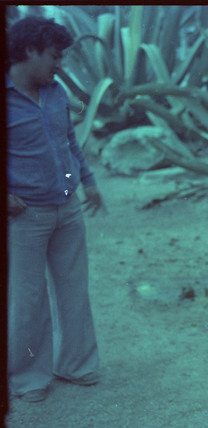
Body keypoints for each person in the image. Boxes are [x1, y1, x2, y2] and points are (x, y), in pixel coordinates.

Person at [7, 16, 105, 402]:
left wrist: (89, 181)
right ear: (29, 50)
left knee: (74, 291)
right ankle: (30, 377)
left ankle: (77, 366)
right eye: (54, 56)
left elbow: (69, 140)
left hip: (67, 209)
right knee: (28, 301)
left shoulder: (56, 92)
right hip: (24, 217)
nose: (60, 64)